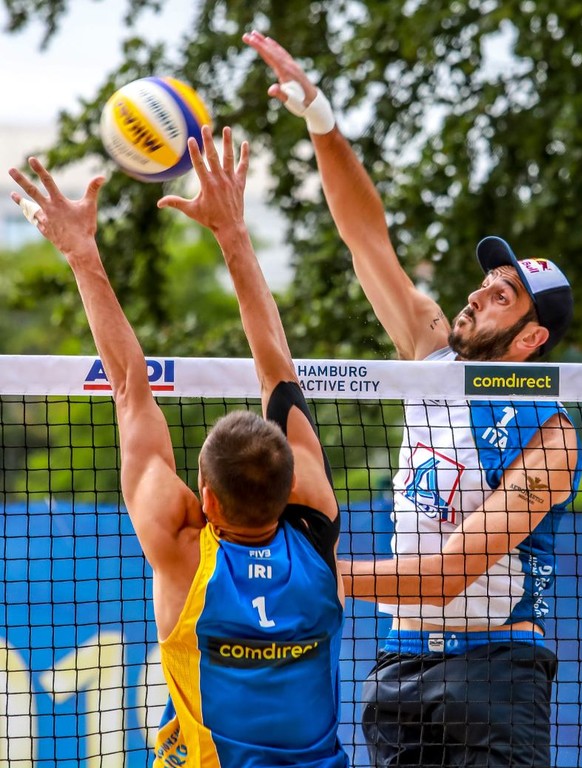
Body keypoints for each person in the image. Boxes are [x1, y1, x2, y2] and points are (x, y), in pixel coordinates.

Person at [244, 31, 582, 768]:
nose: (478, 295)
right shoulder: (430, 357)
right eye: (486, 282)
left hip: (495, 673)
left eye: (503, 296)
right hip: (399, 667)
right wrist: (320, 119)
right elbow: (365, 235)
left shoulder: (551, 435)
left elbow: (451, 574)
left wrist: (318, 574)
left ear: (530, 339)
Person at [9, 126, 349, 768]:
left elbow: (129, 389)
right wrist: (234, 232)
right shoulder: (315, 526)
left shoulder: (183, 549)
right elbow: (279, 368)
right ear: (290, 485)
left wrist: (83, 254)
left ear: (206, 499)